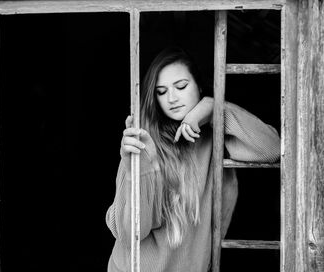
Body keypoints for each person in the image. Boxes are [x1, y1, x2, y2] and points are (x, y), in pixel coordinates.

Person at [106, 46, 280, 272]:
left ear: (199, 85)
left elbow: (272, 149)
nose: (171, 98)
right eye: (161, 91)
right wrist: (141, 173)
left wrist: (214, 108)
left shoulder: (214, 137)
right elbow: (130, 233)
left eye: (180, 86)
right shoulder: (142, 139)